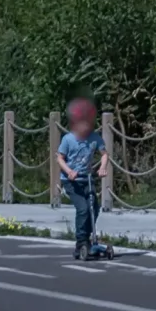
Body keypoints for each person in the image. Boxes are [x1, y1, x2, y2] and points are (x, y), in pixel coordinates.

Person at [54, 99, 110, 261]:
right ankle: (81, 242)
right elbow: (60, 158)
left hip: (87, 179)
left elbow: (104, 154)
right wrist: (69, 171)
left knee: (94, 208)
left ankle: (87, 237)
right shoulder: (68, 139)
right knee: (83, 209)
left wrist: (102, 167)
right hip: (71, 181)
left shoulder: (94, 138)